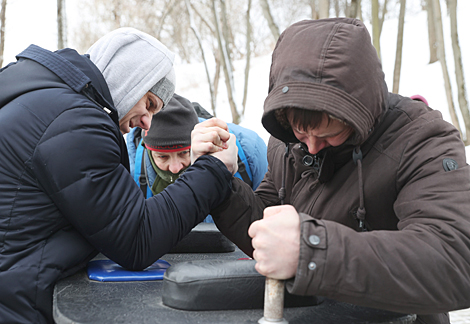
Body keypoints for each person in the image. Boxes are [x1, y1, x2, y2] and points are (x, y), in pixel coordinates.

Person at [193, 18, 470, 323]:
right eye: (301, 132)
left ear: (358, 112)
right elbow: (267, 233)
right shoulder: (285, 143)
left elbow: (454, 257)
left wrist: (311, 251)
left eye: (326, 135)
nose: (310, 147)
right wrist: (220, 181)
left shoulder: (422, 140)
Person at [0, 27, 237, 323]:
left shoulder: (43, 100)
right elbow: (136, 239)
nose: (147, 123)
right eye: (149, 104)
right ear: (128, 78)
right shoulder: (75, 122)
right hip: (18, 306)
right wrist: (214, 170)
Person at [126, 93, 268, 223]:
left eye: (184, 153)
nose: (175, 168)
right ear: (148, 150)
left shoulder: (251, 151)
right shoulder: (126, 167)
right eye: (163, 157)